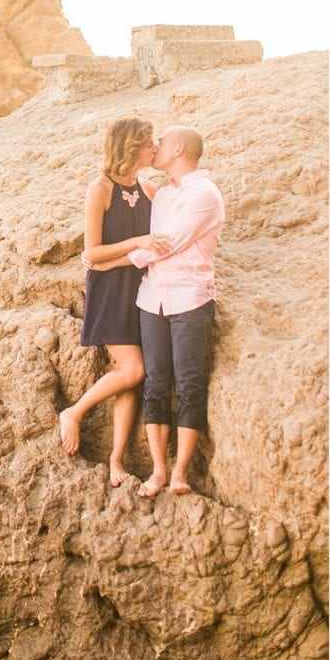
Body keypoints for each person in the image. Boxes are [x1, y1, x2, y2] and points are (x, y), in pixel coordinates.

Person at [59, 116, 164, 487]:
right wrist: (137, 243)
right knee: (132, 370)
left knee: (132, 380)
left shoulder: (151, 189)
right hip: (110, 291)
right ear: (133, 146)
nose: (157, 146)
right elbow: (93, 253)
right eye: (151, 141)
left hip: (144, 289)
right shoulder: (100, 188)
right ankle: (73, 412)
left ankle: (116, 461)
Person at [131, 125, 225, 498]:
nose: (155, 148)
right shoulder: (162, 195)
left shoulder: (205, 194)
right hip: (151, 297)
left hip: (190, 299)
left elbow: (167, 244)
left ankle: (181, 473)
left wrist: (125, 258)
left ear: (179, 149)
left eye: (162, 143)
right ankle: (157, 471)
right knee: (155, 382)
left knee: (189, 383)